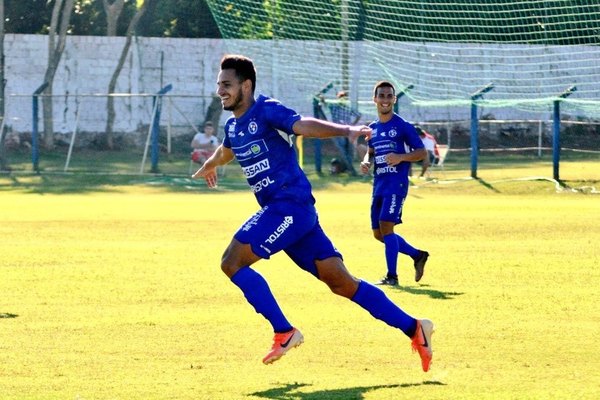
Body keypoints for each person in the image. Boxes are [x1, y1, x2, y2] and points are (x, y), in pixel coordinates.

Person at [192, 54, 434, 372]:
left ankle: (284, 331)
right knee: (343, 283)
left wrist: (345, 130)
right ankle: (415, 328)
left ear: (245, 85)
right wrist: (210, 164)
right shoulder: (234, 126)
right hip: (291, 215)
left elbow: (303, 124)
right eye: (219, 84)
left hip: (289, 207)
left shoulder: (265, 109)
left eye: (226, 84)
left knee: (231, 262)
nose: (220, 90)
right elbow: (227, 150)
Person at [360, 81, 430, 287]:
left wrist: (400, 157)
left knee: (386, 227)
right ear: (375, 99)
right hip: (379, 185)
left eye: (389, 96)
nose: (385, 100)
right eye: (381, 96)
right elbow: (370, 151)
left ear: (394, 100)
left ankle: (392, 276)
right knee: (378, 234)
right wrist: (366, 161)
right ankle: (418, 255)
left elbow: (421, 152)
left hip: (396, 185)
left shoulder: (402, 126)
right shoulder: (372, 129)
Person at [323, 91, 362, 176]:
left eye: (344, 97)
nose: (343, 99)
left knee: (350, 151)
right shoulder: (334, 107)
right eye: (341, 97)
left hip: (348, 131)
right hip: (338, 131)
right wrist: (322, 99)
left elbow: (358, 115)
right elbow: (325, 104)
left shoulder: (347, 108)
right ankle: (351, 170)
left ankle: (348, 168)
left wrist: (352, 124)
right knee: (343, 151)